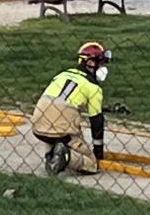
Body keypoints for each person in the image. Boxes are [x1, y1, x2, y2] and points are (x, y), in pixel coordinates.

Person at [31, 42, 111, 175]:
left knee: (54, 127)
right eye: (101, 63)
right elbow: (96, 121)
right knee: (91, 164)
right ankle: (65, 156)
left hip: (38, 127)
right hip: (62, 131)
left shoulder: (62, 75)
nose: (102, 68)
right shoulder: (93, 88)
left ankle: (51, 157)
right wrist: (98, 153)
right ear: (91, 63)